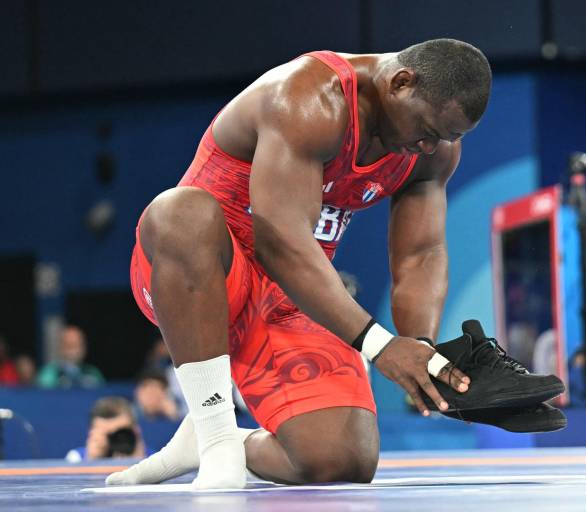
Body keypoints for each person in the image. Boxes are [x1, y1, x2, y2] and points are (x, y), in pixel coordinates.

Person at [108, 39, 558, 490]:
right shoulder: (307, 100)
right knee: (179, 212)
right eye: (426, 130)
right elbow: (279, 242)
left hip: (293, 296)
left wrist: (419, 352)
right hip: (200, 279)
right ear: (400, 82)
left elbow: (420, 255)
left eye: (446, 137)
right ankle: (214, 432)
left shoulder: (432, 150)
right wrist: (380, 347)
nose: (429, 146)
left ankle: (220, 442)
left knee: (343, 461)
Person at [66, 396, 147, 463]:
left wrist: (140, 462)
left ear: (136, 430)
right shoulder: (76, 458)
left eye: (121, 433)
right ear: (91, 434)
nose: (115, 439)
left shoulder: (155, 459)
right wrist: (90, 461)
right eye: (107, 435)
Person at [37, 325, 105, 389]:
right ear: (60, 347)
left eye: (77, 345)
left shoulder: (93, 372)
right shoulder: (49, 373)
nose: (73, 350)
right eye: (69, 345)